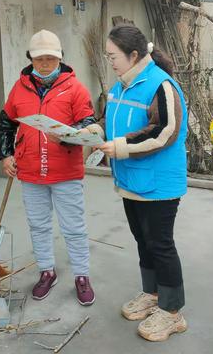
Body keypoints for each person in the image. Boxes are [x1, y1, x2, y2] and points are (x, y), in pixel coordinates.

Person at [86, 24, 188, 341]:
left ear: (133, 55)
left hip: (159, 184)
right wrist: (95, 131)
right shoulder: (121, 86)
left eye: (113, 56)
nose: (110, 62)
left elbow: (165, 132)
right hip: (131, 180)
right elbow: (109, 118)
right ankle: (153, 295)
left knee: (160, 244)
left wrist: (120, 147)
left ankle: (172, 313)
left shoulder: (161, 86)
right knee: (143, 241)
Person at [0, 29, 96, 306]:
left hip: (65, 171)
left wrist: (67, 133)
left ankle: (81, 276)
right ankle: (46, 271)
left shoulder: (75, 88)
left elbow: (89, 124)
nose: (44, 64)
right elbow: (6, 123)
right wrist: (5, 155)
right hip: (29, 171)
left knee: (73, 227)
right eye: (39, 59)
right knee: (38, 226)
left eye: (50, 58)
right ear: (30, 58)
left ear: (60, 58)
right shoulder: (20, 87)